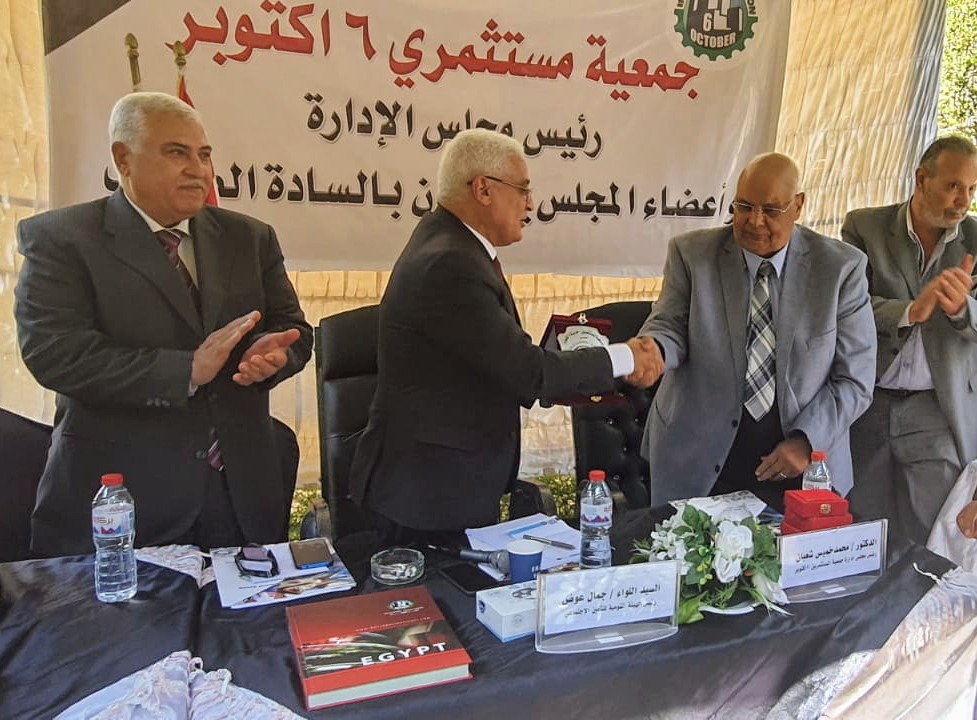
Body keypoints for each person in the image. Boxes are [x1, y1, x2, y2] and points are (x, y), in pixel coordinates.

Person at [15, 92, 312, 557]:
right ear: (123, 159)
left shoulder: (248, 237)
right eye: (177, 153)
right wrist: (184, 371)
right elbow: (54, 354)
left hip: (239, 498)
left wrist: (275, 355)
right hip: (123, 501)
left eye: (204, 155)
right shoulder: (63, 239)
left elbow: (293, 327)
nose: (198, 170)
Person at [348, 128, 660, 547]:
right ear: (483, 189)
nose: (530, 204)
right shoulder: (449, 263)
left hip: (446, 484)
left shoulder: (453, 245)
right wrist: (625, 357)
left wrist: (566, 368)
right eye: (523, 189)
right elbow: (528, 371)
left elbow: (496, 357)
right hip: (427, 495)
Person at [636, 152, 876, 510]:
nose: (755, 221)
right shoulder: (692, 255)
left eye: (771, 210)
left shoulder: (841, 269)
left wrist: (806, 441)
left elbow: (855, 378)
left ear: (798, 206)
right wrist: (653, 348)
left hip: (801, 463)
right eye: (744, 206)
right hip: (700, 456)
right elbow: (669, 325)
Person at [843, 135, 977, 544]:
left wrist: (963, 310)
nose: (964, 201)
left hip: (936, 410)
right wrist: (908, 311)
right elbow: (844, 308)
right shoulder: (865, 227)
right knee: (861, 534)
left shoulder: (975, 240)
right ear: (921, 179)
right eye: (953, 186)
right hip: (868, 403)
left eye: (972, 189)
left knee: (933, 536)